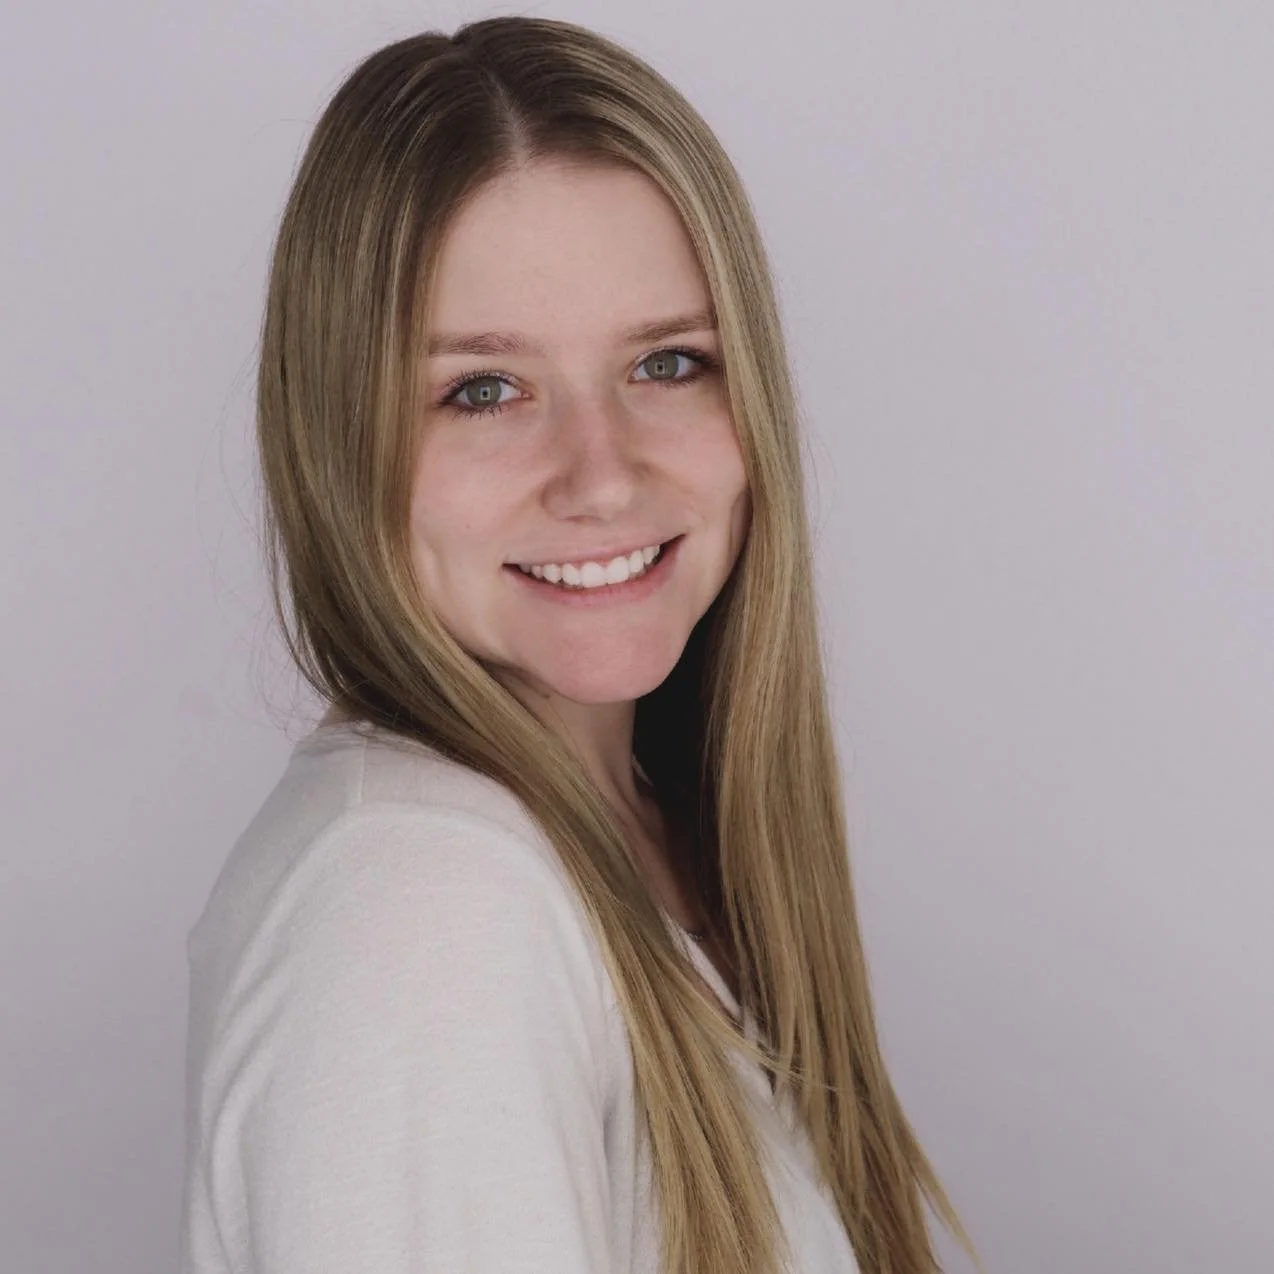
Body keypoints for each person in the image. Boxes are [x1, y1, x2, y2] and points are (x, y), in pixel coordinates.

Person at [179, 16, 977, 1274]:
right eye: (482, 389)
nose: (602, 480)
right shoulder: (424, 903)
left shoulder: (630, 830)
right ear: (341, 436)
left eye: (668, 362)